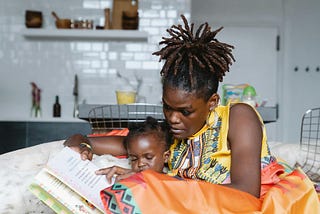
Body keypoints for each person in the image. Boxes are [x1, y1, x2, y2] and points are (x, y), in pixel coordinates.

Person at [65, 15, 320, 213]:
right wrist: (81, 144)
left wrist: (156, 183)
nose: (173, 118)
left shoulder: (239, 118)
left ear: (212, 102)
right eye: (168, 107)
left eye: (185, 111)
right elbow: (92, 141)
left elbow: (245, 193)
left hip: (263, 206)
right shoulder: (167, 136)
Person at [95, 116, 172, 183]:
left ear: (166, 157)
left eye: (148, 157)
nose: (140, 164)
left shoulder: (172, 183)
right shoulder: (131, 178)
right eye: (134, 159)